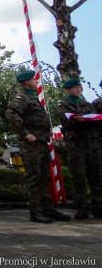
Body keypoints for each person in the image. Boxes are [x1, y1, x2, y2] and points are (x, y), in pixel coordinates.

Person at [5, 70, 71, 223]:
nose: (36, 81)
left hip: (41, 142)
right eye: (34, 80)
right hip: (31, 144)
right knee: (34, 178)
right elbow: (11, 114)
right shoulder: (22, 97)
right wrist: (25, 133)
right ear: (27, 82)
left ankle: (48, 209)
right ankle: (36, 213)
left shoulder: (32, 97)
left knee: (44, 177)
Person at [55, 78, 102, 219]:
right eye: (75, 87)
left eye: (79, 87)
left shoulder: (87, 104)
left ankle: (98, 206)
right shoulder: (63, 105)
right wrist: (76, 120)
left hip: (91, 143)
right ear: (68, 90)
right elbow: (65, 119)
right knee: (79, 176)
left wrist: (90, 119)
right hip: (76, 144)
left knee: (96, 175)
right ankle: (81, 208)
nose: (78, 89)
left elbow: (96, 118)